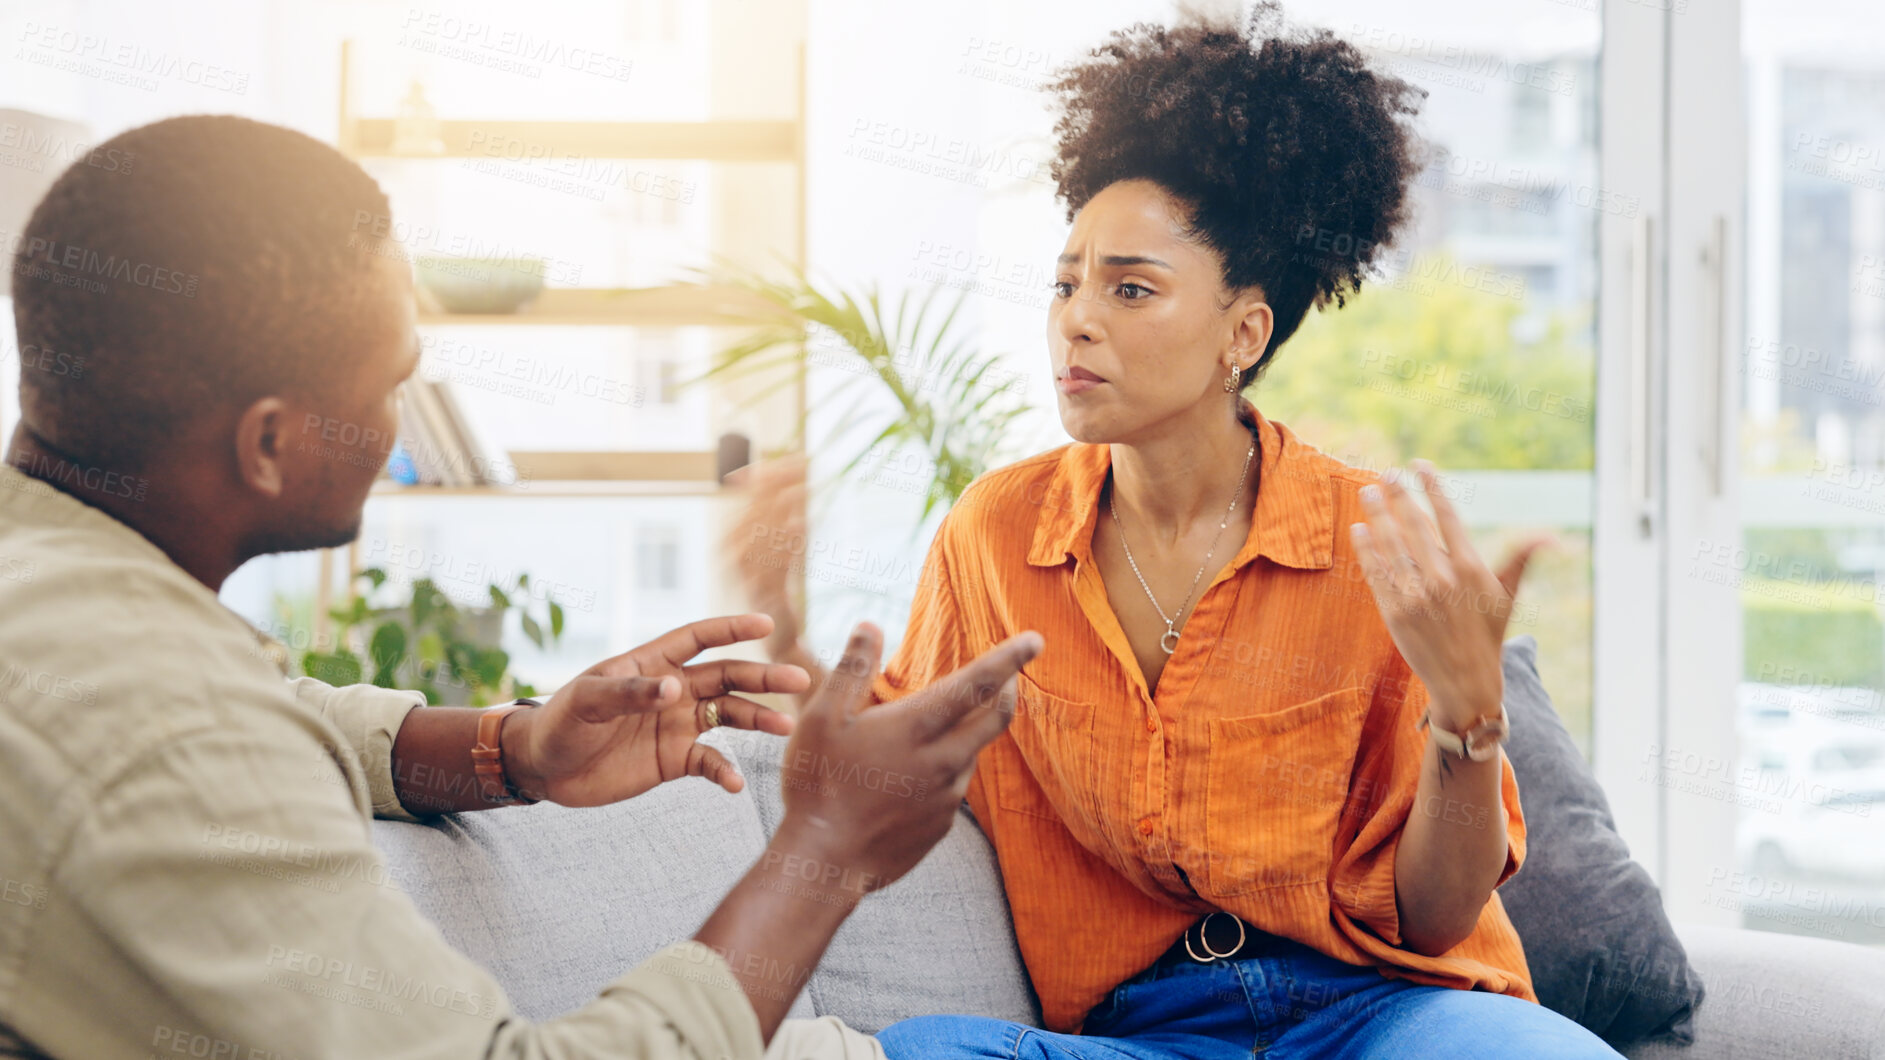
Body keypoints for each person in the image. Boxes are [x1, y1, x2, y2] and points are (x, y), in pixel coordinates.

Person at [0, 113, 1043, 1059]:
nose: (397, 422)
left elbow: (269, 709)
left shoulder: (63, 591)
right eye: (389, 385)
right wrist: (824, 855)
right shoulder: (163, 737)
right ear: (269, 442)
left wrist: (515, 749)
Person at [732, 8, 1624, 1059]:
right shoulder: (998, 535)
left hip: (1383, 1013)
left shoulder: (1364, 542)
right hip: (1141, 1035)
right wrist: (781, 618)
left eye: (1130, 288)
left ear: (1241, 333)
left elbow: (1433, 916)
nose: (1076, 318)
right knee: (912, 1046)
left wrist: (1468, 717)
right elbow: (888, 758)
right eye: (1064, 282)